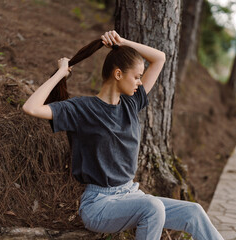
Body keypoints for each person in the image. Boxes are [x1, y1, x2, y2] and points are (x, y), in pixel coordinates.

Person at [22, 30, 224, 240]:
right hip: (99, 204)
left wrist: (121, 42)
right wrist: (61, 73)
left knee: (194, 212)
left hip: (131, 195)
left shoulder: (130, 103)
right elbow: (31, 107)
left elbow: (160, 58)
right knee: (152, 206)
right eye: (136, 77)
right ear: (118, 74)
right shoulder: (82, 109)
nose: (139, 82)